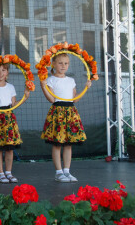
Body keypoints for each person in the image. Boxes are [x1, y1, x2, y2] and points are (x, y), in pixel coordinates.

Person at [40, 53, 90, 183]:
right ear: (54, 64)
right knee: (57, 144)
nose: (63, 66)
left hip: (70, 112)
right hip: (58, 112)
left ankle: (67, 171)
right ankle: (58, 172)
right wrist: (43, 87)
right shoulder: (50, 80)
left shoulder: (71, 80)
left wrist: (86, 88)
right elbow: (51, 99)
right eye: (60, 63)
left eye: (66, 63)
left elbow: (75, 99)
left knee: (68, 144)